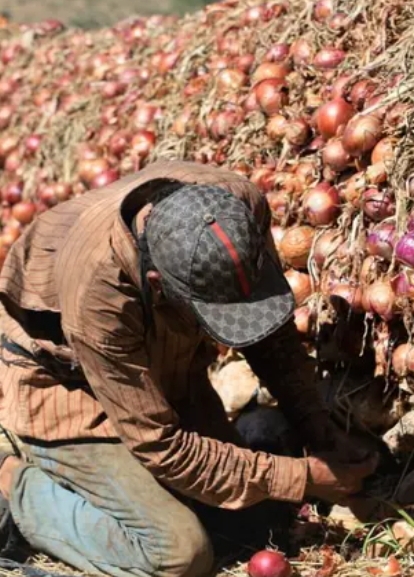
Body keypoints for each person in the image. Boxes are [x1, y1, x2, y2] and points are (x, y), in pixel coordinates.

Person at [0, 161, 379, 577]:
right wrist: (303, 476)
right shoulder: (99, 299)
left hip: (160, 370)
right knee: (179, 554)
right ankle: (19, 486)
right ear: (158, 283)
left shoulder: (237, 207)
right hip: (65, 387)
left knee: (251, 521)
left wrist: (317, 426)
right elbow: (162, 446)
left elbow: (273, 338)